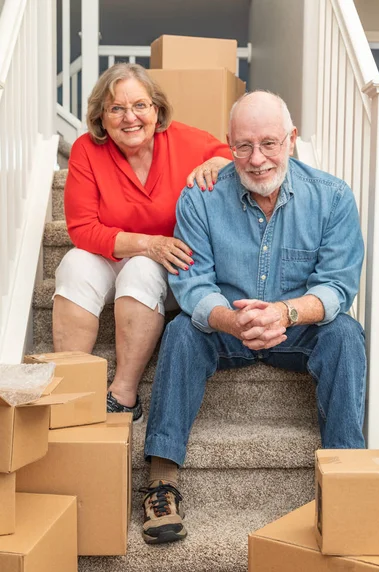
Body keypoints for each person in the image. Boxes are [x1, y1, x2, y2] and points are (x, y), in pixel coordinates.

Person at [141, 91, 366, 545]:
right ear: (228, 144)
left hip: (297, 329)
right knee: (181, 330)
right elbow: (192, 283)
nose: (257, 159)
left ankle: (347, 480)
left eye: (269, 143)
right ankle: (161, 484)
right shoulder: (201, 198)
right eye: (243, 145)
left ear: (292, 139)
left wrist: (285, 312)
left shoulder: (332, 197)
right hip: (228, 328)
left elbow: (338, 285)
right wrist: (230, 320)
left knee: (345, 334)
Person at [52, 63, 232, 421]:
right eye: (116, 108)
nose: (129, 117)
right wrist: (147, 243)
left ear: (156, 110)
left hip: (164, 266)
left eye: (139, 105)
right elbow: (82, 228)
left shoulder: (183, 140)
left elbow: (232, 154)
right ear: (101, 117)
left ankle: (123, 394)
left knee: (140, 270)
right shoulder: (87, 150)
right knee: (73, 263)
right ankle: (72, 390)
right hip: (117, 251)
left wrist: (217, 161)